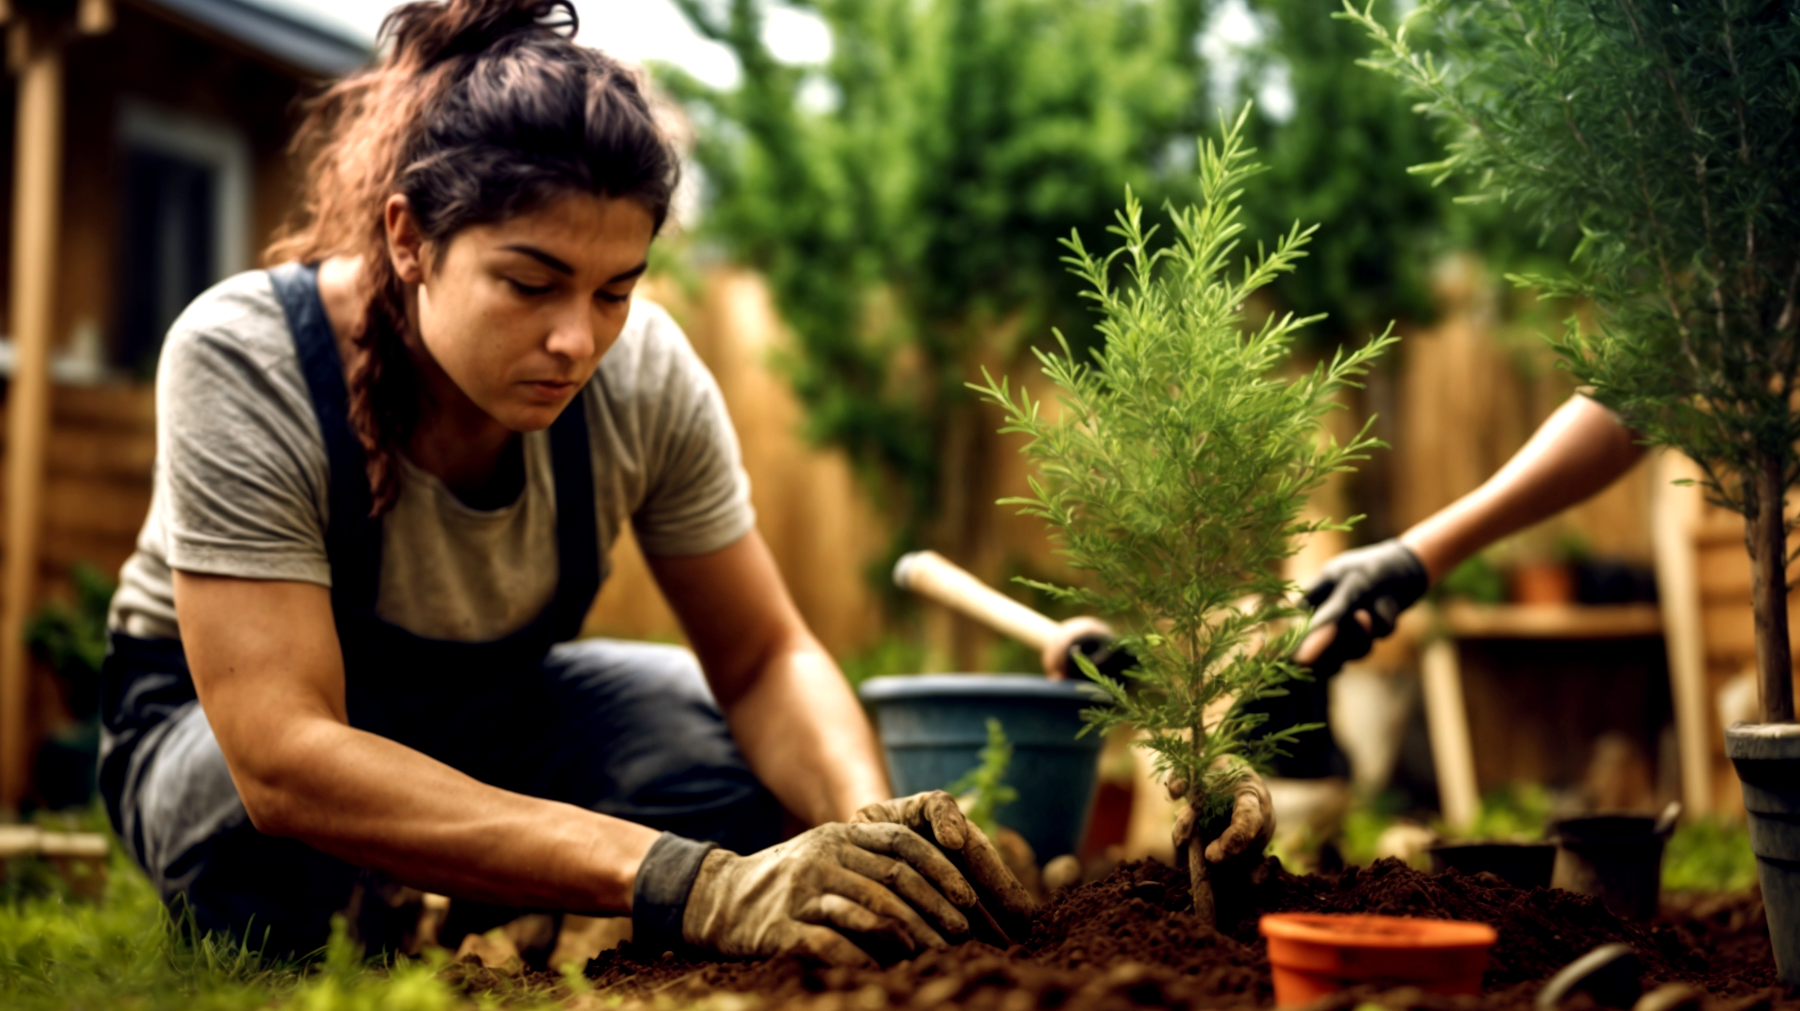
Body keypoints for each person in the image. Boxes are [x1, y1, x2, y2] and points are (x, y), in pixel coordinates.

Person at [98, 0, 1028, 966]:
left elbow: (761, 658)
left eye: (615, 290)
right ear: (411, 238)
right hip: (217, 738)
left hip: (493, 707)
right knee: (257, 840)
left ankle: (473, 890)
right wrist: (688, 882)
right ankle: (410, 903)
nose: (577, 340)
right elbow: (283, 757)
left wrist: (868, 834)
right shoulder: (250, 356)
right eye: (531, 283)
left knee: (724, 758)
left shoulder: (644, 375)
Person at [1042, 393, 1645, 781]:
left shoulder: (1289, 613)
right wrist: (1112, 653)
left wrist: (1411, 560)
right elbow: (1624, 401)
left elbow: (1628, 401)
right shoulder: (1224, 617)